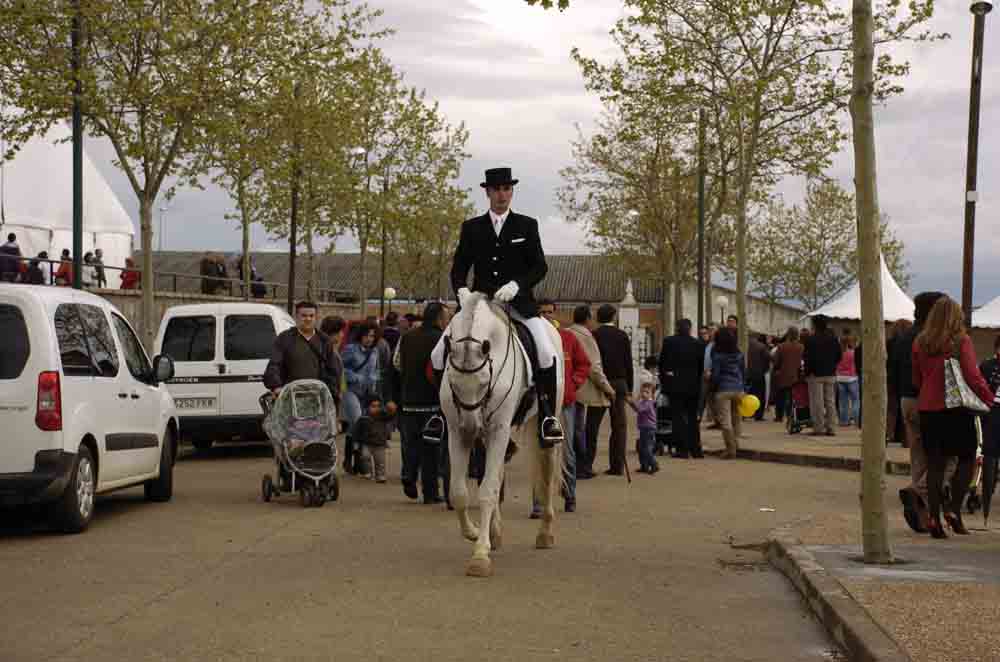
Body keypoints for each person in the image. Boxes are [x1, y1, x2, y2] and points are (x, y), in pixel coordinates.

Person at [432, 167, 564, 445]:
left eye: (507, 189)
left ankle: (547, 417)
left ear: (511, 191)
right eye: (497, 190)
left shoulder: (527, 225)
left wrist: (517, 285)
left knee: (545, 351)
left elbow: (539, 266)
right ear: (488, 193)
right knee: (437, 353)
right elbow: (458, 268)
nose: (502, 194)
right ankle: (439, 416)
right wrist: (463, 292)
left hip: (518, 304)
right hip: (479, 305)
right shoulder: (472, 228)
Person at [912, 296, 993, 538]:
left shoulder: (920, 342)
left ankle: (934, 519)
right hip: (955, 409)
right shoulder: (961, 341)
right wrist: (988, 398)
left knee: (935, 463)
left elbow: (917, 379)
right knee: (967, 459)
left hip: (928, 408)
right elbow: (972, 375)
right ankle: (954, 510)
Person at [889, 291, 945, 533]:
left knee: (918, 457)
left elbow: (892, 371)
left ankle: (922, 516)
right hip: (926, 400)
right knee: (944, 456)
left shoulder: (902, 337)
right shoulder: (930, 338)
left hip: (905, 400)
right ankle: (919, 491)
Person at [395, 301, 449, 504]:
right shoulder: (442, 339)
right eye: (446, 317)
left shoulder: (407, 337)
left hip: (408, 400)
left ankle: (408, 475)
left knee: (410, 445)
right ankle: (430, 492)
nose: (448, 321)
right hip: (432, 401)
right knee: (432, 448)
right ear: (438, 318)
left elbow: (396, 364)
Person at [539, 300, 589, 512]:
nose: (547, 316)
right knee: (540, 453)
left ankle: (569, 495)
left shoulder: (568, 338)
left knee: (567, 453)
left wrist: (574, 383)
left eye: (550, 312)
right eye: (543, 313)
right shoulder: (534, 340)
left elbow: (583, 364)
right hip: (541, 406)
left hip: (566, 403)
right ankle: (539, 502)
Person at [565, 305, 616, 480]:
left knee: (570, 428)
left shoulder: (566, 333)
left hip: (567, 387)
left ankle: (571, 464)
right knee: (580, 429)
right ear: (588, 318)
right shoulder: (586, 337)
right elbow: (594, 367)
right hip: (582, 389)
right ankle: (580, 466)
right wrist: (608, 388)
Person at [591, 304, 633, 475]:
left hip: (599, 383)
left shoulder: (594, 335)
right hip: (619, 382)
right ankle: (617, 466)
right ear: (614, 317)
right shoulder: (622, 335)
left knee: (592, 425)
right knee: (619, 426)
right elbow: (628, 362)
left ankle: (586, 464)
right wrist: (629, 387)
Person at [263, 301, 337, 395]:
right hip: (291, 397)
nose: (308, 319)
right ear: (296, 317)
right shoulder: (285, 338)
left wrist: (331, 392)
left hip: (318, 397)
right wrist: (276, 387)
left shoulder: (324, 340)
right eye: (304, 316)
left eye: (311, 316)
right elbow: (274, 365)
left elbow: (332, 370)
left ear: (316, 318)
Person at [342, 322, 387, 474]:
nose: (369, 339)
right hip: (351, 390)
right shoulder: (350, 349)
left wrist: (376, 387)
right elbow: (342, 369)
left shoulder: (374, 352)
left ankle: (355, 459)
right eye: (367, 335)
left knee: (360, 424)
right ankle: (352, 458)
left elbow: (377, 371)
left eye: (372, 336)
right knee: (357, 419)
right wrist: (356, 377)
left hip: (368, 393)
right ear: (360, 335)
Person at [659, 318, 705, 459]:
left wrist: (665, 383)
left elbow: (663, 364)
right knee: (692, 417)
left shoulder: (669, 342)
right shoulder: (698, 344)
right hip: (693, 386)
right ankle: (696, 449)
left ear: (676, 328)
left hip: (675, 386)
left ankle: (682, 449)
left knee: (677, 417)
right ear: (690, 328)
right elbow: (700, 367)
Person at [803, 314, 841, 436]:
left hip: (815, 375)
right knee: (830, 402)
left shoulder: (811, 340)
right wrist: (832, 365)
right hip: (830, 373)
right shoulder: (834, 339)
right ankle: (832, 428)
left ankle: (818, 428)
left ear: (815, 325)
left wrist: (807, 372)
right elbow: (839, 356)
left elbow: (807, 358)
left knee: (817, 402)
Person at [711, 327, 745, 459]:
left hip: (723, 390)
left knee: (725, 421)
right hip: (738, 389)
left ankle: (731, 449)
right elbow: (743, 372)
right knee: (736, 419)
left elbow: (716, 375)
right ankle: (736, 444)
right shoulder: (739, 354)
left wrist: (712, 385)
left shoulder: (718, 356)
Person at [354, 398, 397, 484]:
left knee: (380, 461)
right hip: (367, 443)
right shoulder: (363, 418)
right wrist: (356, 442)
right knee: (365, 457)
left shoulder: (383, 416)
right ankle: (368, 472)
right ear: (368, 407)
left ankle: (380, 475)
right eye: (373, 406)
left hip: (379, 443)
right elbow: (356, 431)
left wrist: (392, 410)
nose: (376, 408)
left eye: (378, 406)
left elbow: (391, 416)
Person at [772, 327, 804, 424]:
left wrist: (776, 369)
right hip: (796, 376)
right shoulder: (801, 347)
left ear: (788, 334)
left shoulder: (781, 347)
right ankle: (791, 415)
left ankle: (779, 416)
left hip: (782, 375)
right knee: (793, 397)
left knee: (780, 397)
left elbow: (776, 361)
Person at [628, 380, 659, 474]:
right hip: (643, 428)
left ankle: (654, 464)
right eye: (642, 391)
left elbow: (639, 409)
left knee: (647, 448)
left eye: (647, 392)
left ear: (651, 394)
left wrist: (631, 402)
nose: (644, 394)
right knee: (641, 448)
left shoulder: (649, 403)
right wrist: (632, 402)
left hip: (649, 428)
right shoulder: (643, 402)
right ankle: (644, 466)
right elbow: (637, 408)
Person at [318, 316, 346, 409]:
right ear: (333, 333)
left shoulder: (332, 350)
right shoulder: (327, 351)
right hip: (328, 399)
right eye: (340, 332)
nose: (342, 335)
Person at [746, 333, 772, 422]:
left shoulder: (743, 345)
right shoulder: (762, 346)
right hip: (759, 374)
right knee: (759, 395)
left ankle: (747, 413)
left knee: (748, 393)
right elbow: (769, 357)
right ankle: (758, 415)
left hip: (747, 373)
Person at [836, 334, 859, 426]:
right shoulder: (853, 353)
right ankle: (856, 419)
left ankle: (844, 421)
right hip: (852, 378)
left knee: (843, 402)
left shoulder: (838, 353)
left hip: (840, 378)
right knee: (855, 400)